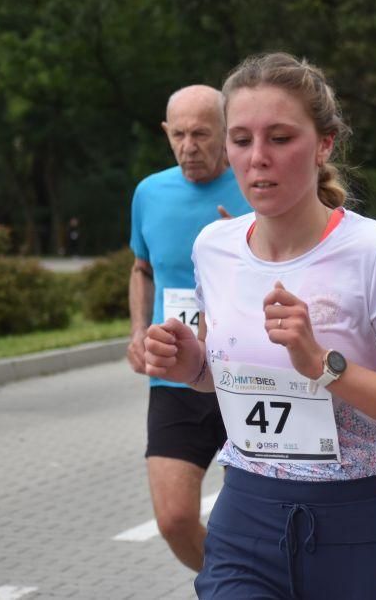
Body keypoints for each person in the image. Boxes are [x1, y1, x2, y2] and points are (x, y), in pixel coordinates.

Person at [144, 53, 376, 598]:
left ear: (323, 145)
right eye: (241, 140)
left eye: (280, 138)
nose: (258, 158)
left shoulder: (372, 252)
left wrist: (324, 366)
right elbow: (228, 377)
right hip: (246, 518)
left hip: (360, 527)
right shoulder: (214, 247)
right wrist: (192, 365)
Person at [127, 85, 252, 572]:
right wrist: (138, 330)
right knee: (175, 519)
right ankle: (238, 583)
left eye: (201, 134)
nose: (188, 146)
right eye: (178, 134)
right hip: (176, 378)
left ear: (226, 131)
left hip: (246, 372)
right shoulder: (149, 193)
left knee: (262, 515)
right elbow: (142, 268)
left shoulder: (256, 186)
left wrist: (250, 243)